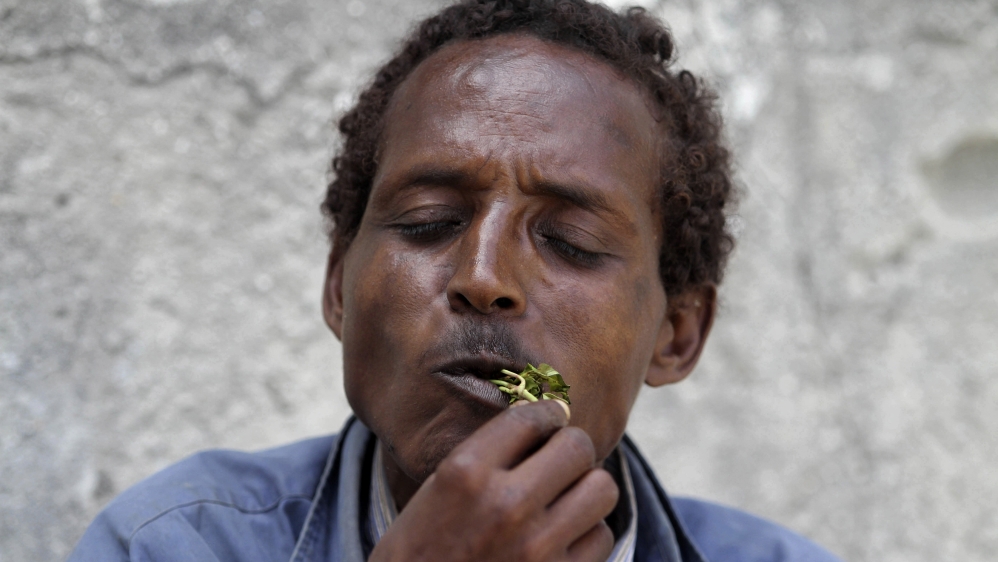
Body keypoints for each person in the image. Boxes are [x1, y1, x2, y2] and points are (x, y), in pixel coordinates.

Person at [69, 1, 842, 560]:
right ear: (339, 284)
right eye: (429, 221)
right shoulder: (174, 544)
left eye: (569, 241)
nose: (483, 278)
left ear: (677, 334)